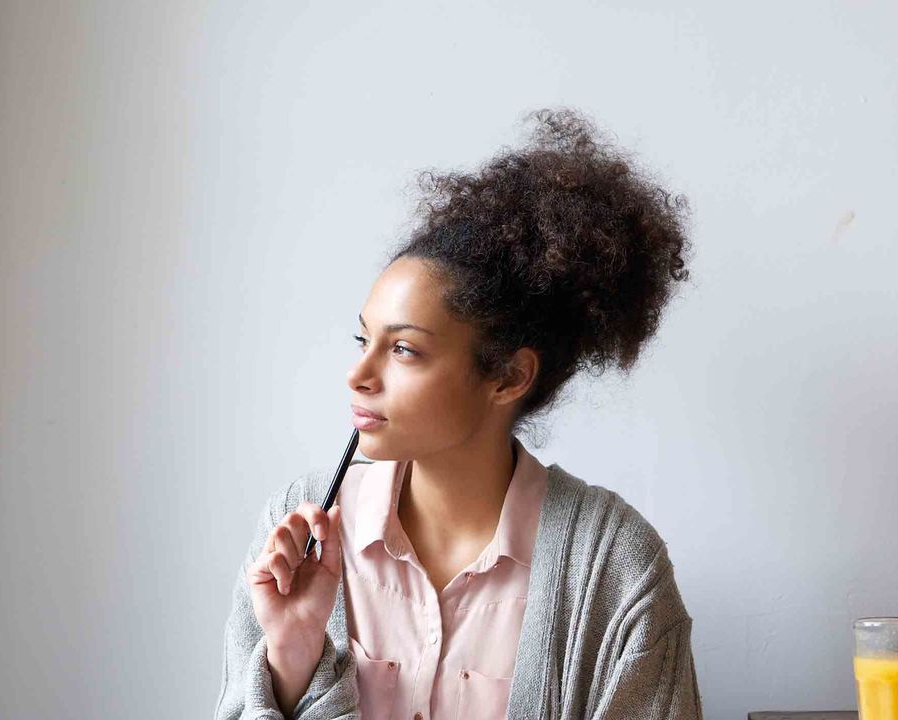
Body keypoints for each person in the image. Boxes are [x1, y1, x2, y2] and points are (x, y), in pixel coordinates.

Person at [213, 107, 703, 720]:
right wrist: (292, 654)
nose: (359, 375)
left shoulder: (616, 567)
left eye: (404, 350)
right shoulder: (297, 530)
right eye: (363, 340)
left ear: (507, 376)